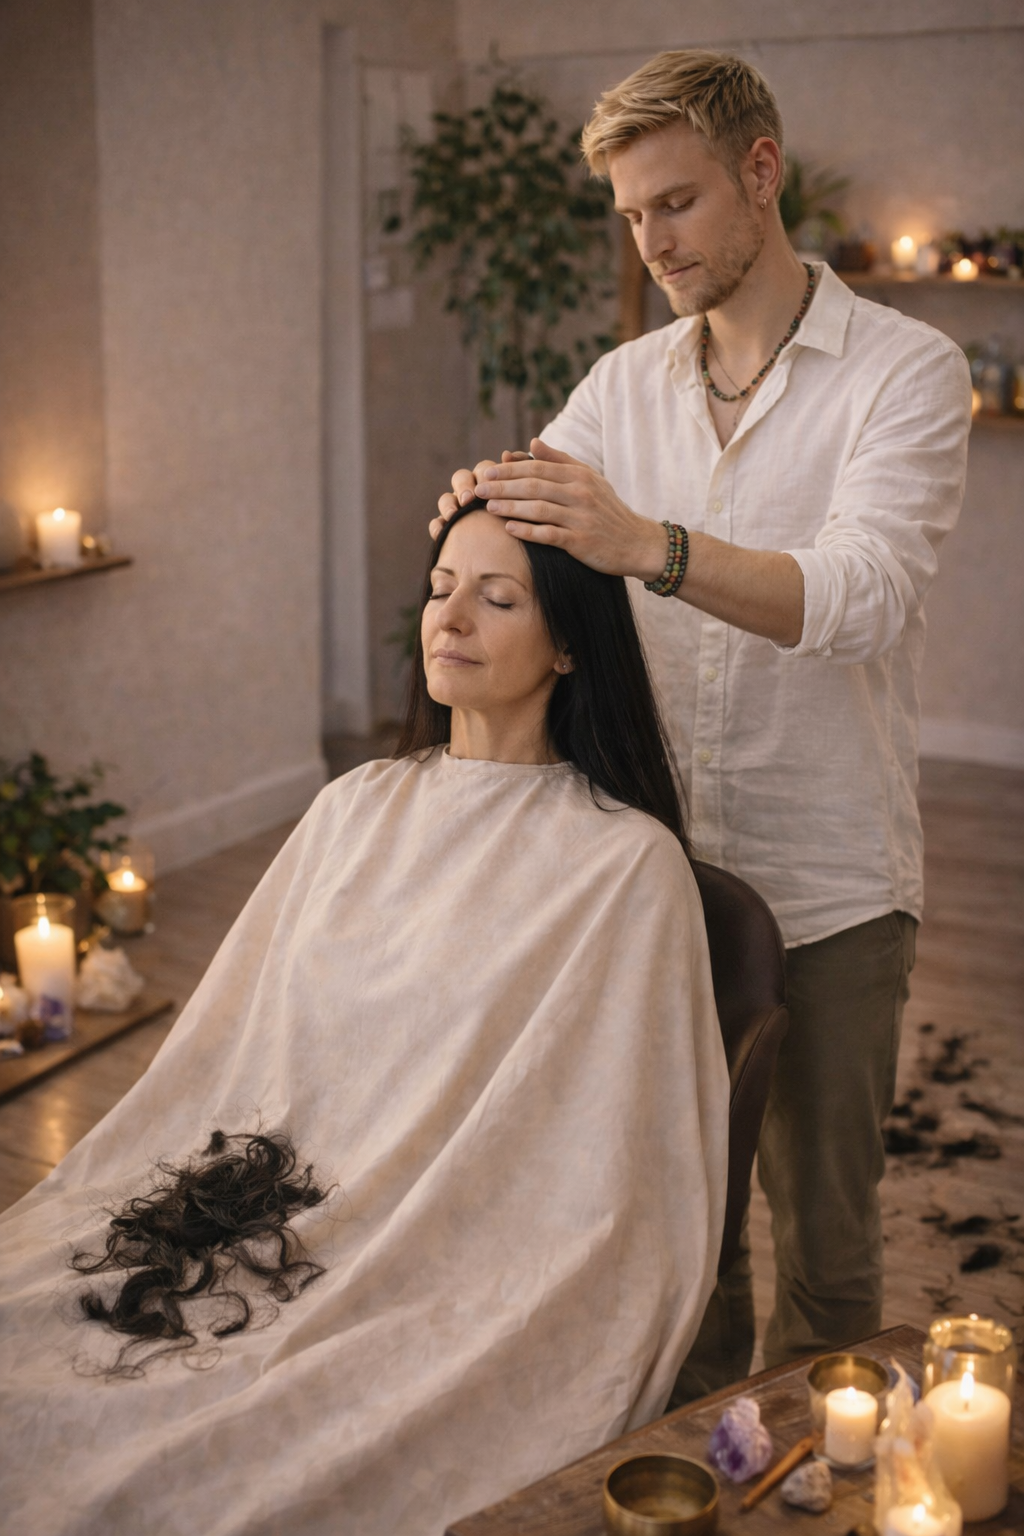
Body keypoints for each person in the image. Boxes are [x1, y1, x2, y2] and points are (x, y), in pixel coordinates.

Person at [0, 507, 728, 1536]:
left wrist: (411, 1216)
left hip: (440, 1256)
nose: (452, 617)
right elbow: (235, 1046)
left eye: (498, 596)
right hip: (270, 1214)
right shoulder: (356, 807)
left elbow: (612, 1172)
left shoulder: (623, 865)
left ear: (569, 644)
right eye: (440, 588)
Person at [436, 50, 972, 1392]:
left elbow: (861, 594)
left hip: (834, 886)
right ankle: (699, 1475)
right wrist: (483, 514)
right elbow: (544, 538)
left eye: (675, 203)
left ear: (761, 171)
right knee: (687, 1236)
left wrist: (648, 543)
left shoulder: (904, 371)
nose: (652, 242)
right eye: (629, 214)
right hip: (660, 883)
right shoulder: (619, 389)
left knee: (831, 1259)